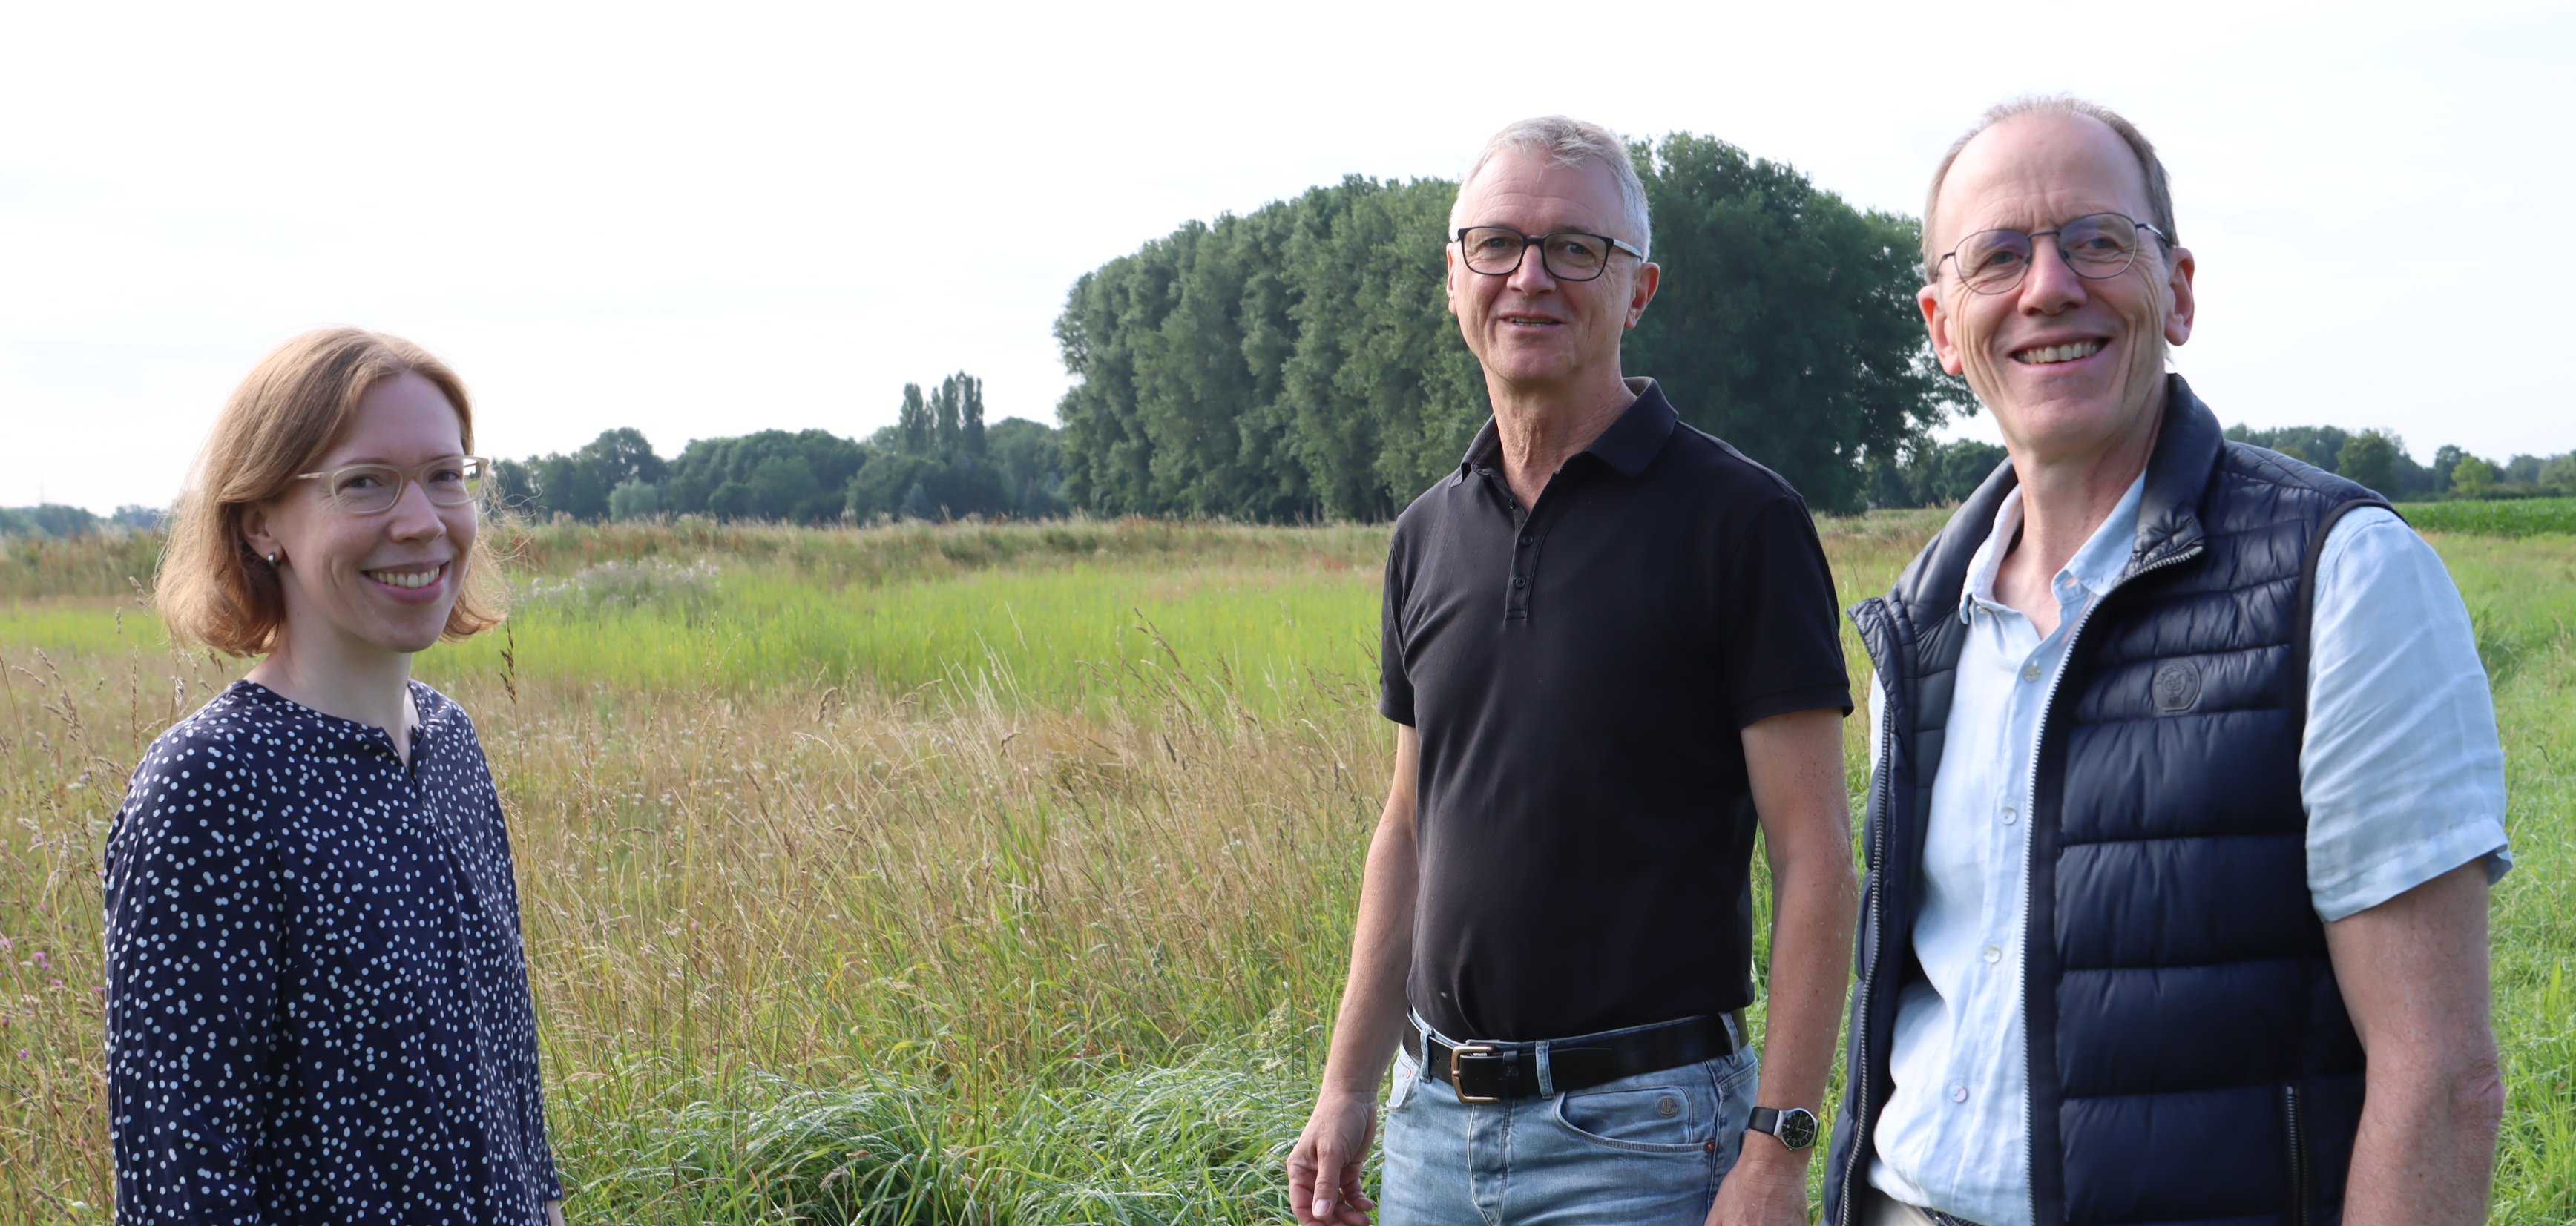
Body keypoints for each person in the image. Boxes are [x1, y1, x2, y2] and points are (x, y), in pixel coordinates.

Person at [1826, 97, 2511, 1226]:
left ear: (2178, 291)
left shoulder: (2340, 577)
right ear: (1944, 329)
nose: (2049, 286)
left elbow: (2440, 1080)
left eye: (2096, 239)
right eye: (1997, 256)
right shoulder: (1920, 623)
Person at [1287, 116, 1860, 1226]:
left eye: (1575, 249)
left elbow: (1816, 854)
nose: (1531, 277)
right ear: (1454, 277)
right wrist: (1347, 1087)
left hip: (1644, 1141)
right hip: (1430, 1129)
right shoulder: (1426, 534)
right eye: (1496, 245)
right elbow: (1409, 828)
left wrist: (1778, 1149)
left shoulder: (1742, 521)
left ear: (1638, 289)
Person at [106, 328, 566, 1225]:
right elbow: (180, 1180)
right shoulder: (212, 787)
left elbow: (507, 1072)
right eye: (364, 482)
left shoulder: (450, 743)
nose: (423, 521)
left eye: (445, 475)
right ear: (259, 521)